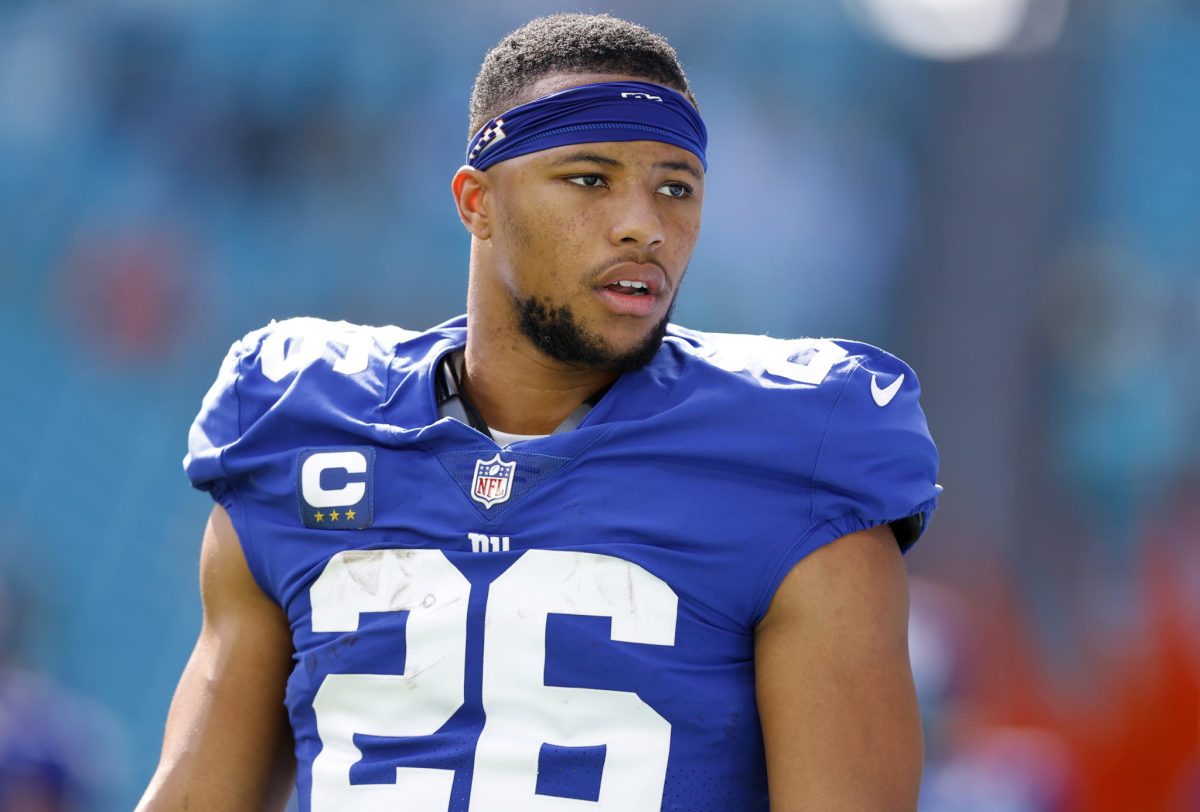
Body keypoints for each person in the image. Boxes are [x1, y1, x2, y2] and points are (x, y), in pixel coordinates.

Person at [136, 12, 940, 811]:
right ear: (477, 202)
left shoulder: (798, 452)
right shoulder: (301, 421)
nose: (644, 225)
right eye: (590, 179)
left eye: (675, 188)